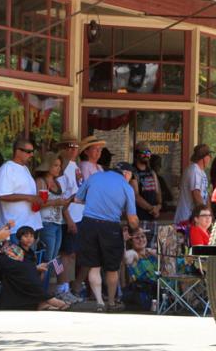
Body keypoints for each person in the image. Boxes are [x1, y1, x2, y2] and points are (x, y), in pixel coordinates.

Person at [75, 161, 140, 312]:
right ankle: (111, 302)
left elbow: (78, 199)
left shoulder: (95, 177)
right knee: (112, 268)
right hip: (110, 226)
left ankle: (99, 302)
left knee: (94, 265)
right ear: (126, 174)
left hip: (88, 224)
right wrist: (136, 228)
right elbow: (132, 218)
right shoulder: (126, 187)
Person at [0, 225, 69, 310]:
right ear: (19, 238)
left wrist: (38, 270)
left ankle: (41, 303)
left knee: (36, 274)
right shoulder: (14, 249)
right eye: (26, 236)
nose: (29, 239)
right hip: (15, 278)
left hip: (25, 280)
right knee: (29, 274)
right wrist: (35, 268)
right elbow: (20, 268)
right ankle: (48, 299)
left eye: (31, 236)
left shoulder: (31, 253)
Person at [56, 132, 85, 303]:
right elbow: (62, 196)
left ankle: (67, 287)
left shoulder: (75, 165)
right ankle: (61, 287)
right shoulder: (63, 166)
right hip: (68, 216)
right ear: (62, 148)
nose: (73, 149)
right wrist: (68, 218)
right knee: (64, 255)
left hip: (78, 214)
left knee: (72, 254)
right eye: (69, 146)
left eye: (75, 146)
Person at [0, 138, 43, 242]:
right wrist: (28, 197)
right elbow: (2, 195)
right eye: (28, 152)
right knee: (18, 258)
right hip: (16, 229)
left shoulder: (25, 168)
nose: (31, 155)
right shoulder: (7, 169)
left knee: (31, 258)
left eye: (32, 152)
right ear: (18, 151)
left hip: (31, 225)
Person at [35, 152, 69, 266]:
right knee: (47, 256)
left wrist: (68, 201)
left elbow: (61, 204)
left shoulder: (57, 183)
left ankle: (48, 280)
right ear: (47, 166)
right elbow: (37, 204)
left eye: (60, 166)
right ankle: (42, 282)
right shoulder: (41, 181)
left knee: (54, 256)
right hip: (46, 222)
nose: (58, 168)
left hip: (58, 222)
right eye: (55, 165)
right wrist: (55, 202)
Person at [121, 227, 158, 311]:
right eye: (137, 238)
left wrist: (156, 254)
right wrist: (124, 241)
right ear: (131, 241)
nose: (141, 240)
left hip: (158, 290)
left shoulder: (151, 252)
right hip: (143, 292)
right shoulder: (134, 254)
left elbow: (168, 260)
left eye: (143, 236)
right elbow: (126, 258)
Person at [174, 144, 212, 225]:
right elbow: (196, 194)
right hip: (186, 219)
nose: (210, 158)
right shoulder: (194, 170)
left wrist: (209, 214)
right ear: (204, 158)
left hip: (194, 219)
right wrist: (205, 215)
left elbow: (205, 195)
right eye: (209, 155)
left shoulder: (202, 173)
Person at [131, 142, 162, 225]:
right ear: (136, 154)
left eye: (148, 153)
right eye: (144, 152)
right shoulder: (132, 172)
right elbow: (135, 196)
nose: (146, 155)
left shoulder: (152, 172)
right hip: (138, 218)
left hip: (153, 217)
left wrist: (158, 206)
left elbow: (158, 191)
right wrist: (151, 209)